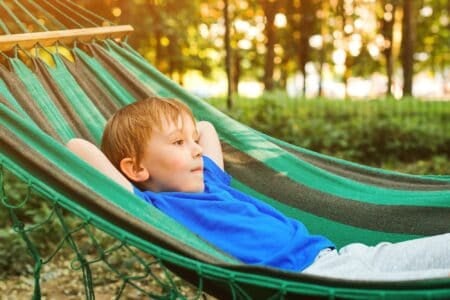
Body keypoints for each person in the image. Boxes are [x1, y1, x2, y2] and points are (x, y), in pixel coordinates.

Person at [67, 96, 450, 281]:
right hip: (318, 281)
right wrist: (137, 162)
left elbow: (206, 128)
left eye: (191, 142)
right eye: (178, 144)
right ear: (134, 169)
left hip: (342, 256)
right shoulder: (155, 208)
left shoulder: (209, 181)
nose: (196, 148)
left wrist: (183, 132)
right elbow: (78, 149)